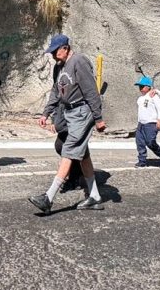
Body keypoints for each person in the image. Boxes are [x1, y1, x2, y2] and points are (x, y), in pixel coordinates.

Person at [29, 34, 105, 213]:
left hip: (82, 111)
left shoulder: (79, 61)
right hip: (69, 113)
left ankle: (48, 198)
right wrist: (46, 113)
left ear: (65, 48)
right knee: (83, 155)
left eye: (55, 51)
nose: (53, 55)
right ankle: (94, 196)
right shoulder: (59, 67)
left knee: (68, 149)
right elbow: (56, 92)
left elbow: (91, 91)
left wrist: (98, 118)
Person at [133, 76, 160, 168]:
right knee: (139, 142)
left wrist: (159, 120)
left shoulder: (153, 96)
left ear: (148, 87)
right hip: (141, 124)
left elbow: (159, 108)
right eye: (139, 86)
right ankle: (142, 160)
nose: (140, 88)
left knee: (150, 142)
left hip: (151, 123)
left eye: (142, 86)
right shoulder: (140, 98)